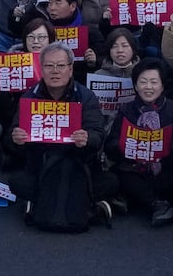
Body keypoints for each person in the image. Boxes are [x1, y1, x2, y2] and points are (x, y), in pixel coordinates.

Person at [8, 41, 115, 228]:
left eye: (60, 66)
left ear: (71, 69)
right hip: (42, 164)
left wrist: (87, 138)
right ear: (41, 69)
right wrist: (17, 139)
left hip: (78, 164)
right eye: (49, 66)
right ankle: (91, 207)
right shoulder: (29, 97)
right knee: (16, 182)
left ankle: (38, 204)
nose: (55, 71)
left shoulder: (86, 96)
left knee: (111, 182)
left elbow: (98, 135)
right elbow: (11, 141)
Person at [102, 57, 173, 226]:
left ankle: (137, 200)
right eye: (143, 82)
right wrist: (122, 146)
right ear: (135, 86)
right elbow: (111, 144)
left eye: (154, 82)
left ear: (162, 86)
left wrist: (162, 149)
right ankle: (158, 205)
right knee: (121, 176)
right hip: (134, 167)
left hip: (163, 166)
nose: (148, 87)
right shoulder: (126, 109)